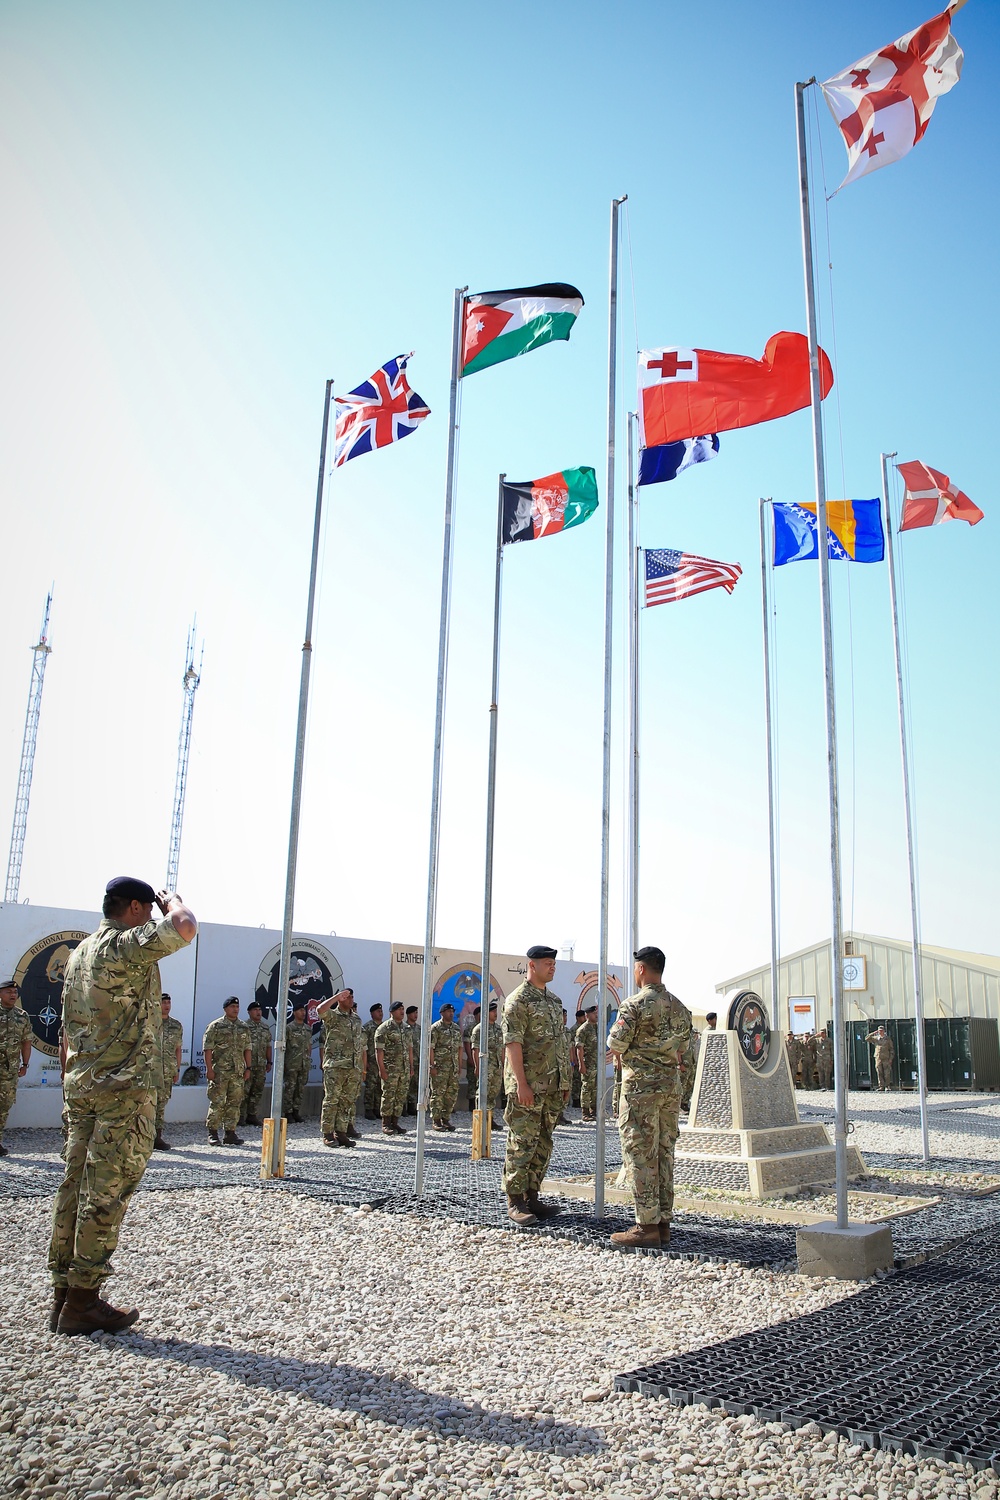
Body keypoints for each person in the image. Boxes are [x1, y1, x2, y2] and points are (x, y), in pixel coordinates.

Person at [48, 877, 196, 1336]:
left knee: (75, 1183)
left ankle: (62, 1292)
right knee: (107, 1190)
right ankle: (84, 1301)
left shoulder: (80, 953)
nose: (152, 915)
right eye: (148, 908)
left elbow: (68, 1031)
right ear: (134, 908)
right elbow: (185, 926)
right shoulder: (123, 946)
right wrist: (172, 900)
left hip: (83, 1084)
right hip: (123, 1092)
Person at [607, 945, 693, 1250]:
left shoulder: (633, 1006)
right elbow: (683, 1048)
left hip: (641, 1092)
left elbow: (616, 1042)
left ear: (641, 969)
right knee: (664, 1152)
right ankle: (663, 1222)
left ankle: (646, 1225)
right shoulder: (680, 1007)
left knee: (640, 1154)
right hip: (669, 1089)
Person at [501, 945, 570, 1228]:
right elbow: (512, 1044)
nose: (552, 967)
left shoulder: (553, 1001)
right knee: (522, 1141)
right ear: (532, 966)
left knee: (543, 1142)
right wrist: (521, 1084)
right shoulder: (518, 1000)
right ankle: (514, 1200)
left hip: (551, 1086)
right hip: (528, 1086)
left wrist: (564, 1082)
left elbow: (559, 1044)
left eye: (553, 963)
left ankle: (532, 1195)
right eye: (547, 963)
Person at [316, 987, 362, 1146]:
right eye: (347, 997)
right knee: (332, 1100)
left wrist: (359, 1067)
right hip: (335, 1066)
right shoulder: (333, 1016)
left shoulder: (356, 1019)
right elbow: (319, 1009)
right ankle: (327, 1133)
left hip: (352, 1066)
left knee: (346, 1101)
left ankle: (341, 1132)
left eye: (352, 996)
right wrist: (336, 997)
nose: (351, 999)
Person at [203, 997, 251, 1145]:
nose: (235, 1009)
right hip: (220, 1072)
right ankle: (213, 1133)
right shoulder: (216, 1026)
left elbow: (247, 1049)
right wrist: (209, 1069)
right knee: (217, 1102)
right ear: (225, 1009)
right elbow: (208, 1049)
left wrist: (248, 1068)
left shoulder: (243, 1027)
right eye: (232, 1006)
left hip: (237, 1072)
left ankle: (230, 1133)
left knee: (234, 1102)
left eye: (237, 1006)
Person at [0, 978, 32, 1156]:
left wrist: (25, 1064)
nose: (13, 995)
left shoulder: (22, 1016)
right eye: (8, 992)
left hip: (9, 1071)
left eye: (15, 992)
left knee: (3, 1107)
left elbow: (26, 1042)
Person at [375, 1000, 411, 1135]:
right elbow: (379, 1050)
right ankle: (386, 1123)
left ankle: (395, 1122)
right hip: (390, 1068)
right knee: (388, 1095)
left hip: (404, 1068)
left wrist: (411, 1066)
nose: (402, 1012)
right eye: (399, 1009)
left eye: (403, 1009)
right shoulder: (384, 1028)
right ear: (391, 1012)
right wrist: (381, 1069)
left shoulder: (406, 1028)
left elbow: (409, 1048)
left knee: (400, 1095)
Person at [153, 993, 183, 1150]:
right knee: (148, 1104)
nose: (166, 1005)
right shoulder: (150, 1023)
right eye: (163, 1002)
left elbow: (178, 1049)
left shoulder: (176, 1026)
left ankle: (157, 1136)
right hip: (150, 1072)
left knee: (161, 1105)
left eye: (168, 1002)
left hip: (167, 1071)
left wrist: (177, 1069)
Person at [470, 1000, 504, 1129]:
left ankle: (490, 1119)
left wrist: (503, 1064)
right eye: (493, 1011)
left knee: (493, 1093)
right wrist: (478, 1067)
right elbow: (476, 1049)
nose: (495, 1014)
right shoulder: (479, 1029)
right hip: (486, 1066)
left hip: (497, 1066)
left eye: (496, 1011)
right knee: (482, 1093)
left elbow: (502, 1048)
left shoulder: (498, 1029)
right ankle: (481, 1120)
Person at [429, 1000, 462, 1131]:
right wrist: (432, 1066)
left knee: (451, 1094)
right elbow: (430, 1048)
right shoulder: (436, 1028)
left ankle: (446, 1119)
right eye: (448, 1011)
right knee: (438, 1093)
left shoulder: (456, 1028)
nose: (451, 1013)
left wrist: (459, 1065)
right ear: (442, 1013)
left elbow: (459, 1048)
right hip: (440, 1067)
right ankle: (436, 1120)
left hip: (452, 1068)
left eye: (452, 1011)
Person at [241, 999, 272, 1127]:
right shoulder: (244, 1027)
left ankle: (252, 1115)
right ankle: (240, 1116)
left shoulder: (265, 1027)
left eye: (259, 1010)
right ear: (249, 1012)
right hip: (247, 1065)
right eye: (255, 1010)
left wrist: (269, 1061)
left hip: (260, 1065)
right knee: (244, 1090)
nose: (258, 1012)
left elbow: (268, 1046)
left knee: (257, 1090)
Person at [283, 999, 314, 1122]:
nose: (303, 1012)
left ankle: (296, 1111)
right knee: (290, 1088)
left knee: (300, 1089)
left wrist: (307, 1058)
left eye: (304, 1010)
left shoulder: (307, 1028)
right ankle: (288, 1112)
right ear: (294, 1012)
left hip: (304, 1063)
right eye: (300, 1010)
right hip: (292, 1064)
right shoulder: (289, 1028)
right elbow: (284, 1046)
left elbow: (309, 1045)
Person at [574, 1004, 599, 1121]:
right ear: (588, 1015)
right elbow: (579, 1048)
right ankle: (585, 1112)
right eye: (594, 1014)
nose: (596, 1015)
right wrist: (581, 1064)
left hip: (597, 1063)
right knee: (586, 1087)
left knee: (595, 1088)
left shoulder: (597, 1028)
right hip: (588, 1063)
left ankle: (594, 1111)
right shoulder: (583, 1030)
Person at [362, 1004, 383, 1119]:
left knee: (380, 1086)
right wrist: (365, 1063)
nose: (380, 1013)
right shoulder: (367, 1027)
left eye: (381, 1011)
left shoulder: (385, 1027)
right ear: (372, 1013)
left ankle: (377, 1108)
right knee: (370, 1086)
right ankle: (368, 1109)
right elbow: (363, 1045)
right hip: (371, 1061)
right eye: (378, 1011)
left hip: (382, 1062)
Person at [866, 1026, 895, 1091]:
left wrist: (891, 1058)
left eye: (881, 1030)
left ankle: (887, 1086)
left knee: (887, 1073)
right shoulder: (876, 1038)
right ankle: (881, 1086)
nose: (880, 1032)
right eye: (879, 1031)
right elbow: (867, 1038)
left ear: (884, 1031)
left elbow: (891, 1049)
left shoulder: (887, 1039)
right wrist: (873, 1033)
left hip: (886, 1058)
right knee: (879, 1072)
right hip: (878, 1058)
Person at [404, 1004, 421, 1115]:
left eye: (416, 1013)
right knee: (406, 1085)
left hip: (418, 1061)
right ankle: (403, 1107)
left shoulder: (419, 1028)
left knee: (415, 1085)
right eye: (414, 1013)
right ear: (408, 1014)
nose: (416, 1015)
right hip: (406, 1061)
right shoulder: (404, 1028)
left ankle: (412, 1105)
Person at [464, 1006, 480, 1111]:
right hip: (474, 1060)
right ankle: (471, 1105)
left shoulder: (487, 1027)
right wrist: (470, 1057)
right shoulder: (471, 1028)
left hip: (486, 1061)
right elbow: (466, 1043)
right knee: (472, 1081)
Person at [570, 1009, 585, 1108]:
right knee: (576, 1079)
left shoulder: (585, 1028)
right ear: (578, 1018)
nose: (584, 1018)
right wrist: (574, 1058)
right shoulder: (574, 1029)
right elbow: (572, 1045)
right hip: (576, 1056)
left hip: (584, 1057)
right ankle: (576, 1100)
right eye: (582, 1016)